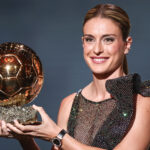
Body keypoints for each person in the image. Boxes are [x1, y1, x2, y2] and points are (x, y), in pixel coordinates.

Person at [1, 3, 150, 150]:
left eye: (108, 39)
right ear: (83, 43)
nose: (97, 49)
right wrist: (25, 139)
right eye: (90, 39)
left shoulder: (143, 103)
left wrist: (57, 135)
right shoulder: (69, 104)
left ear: (127, 45)